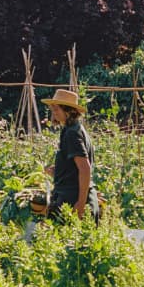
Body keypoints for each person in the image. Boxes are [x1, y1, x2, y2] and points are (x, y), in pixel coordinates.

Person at [42, 88, 99, 222]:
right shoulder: (73, 129)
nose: (53, 114)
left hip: (72, 200)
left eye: (56, 110)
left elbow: (85, 169)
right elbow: (74, 169)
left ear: (68, 111)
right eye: (52, 110)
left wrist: (80, 204)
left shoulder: (72, 133)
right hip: (72, 196)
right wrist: (57, 173)